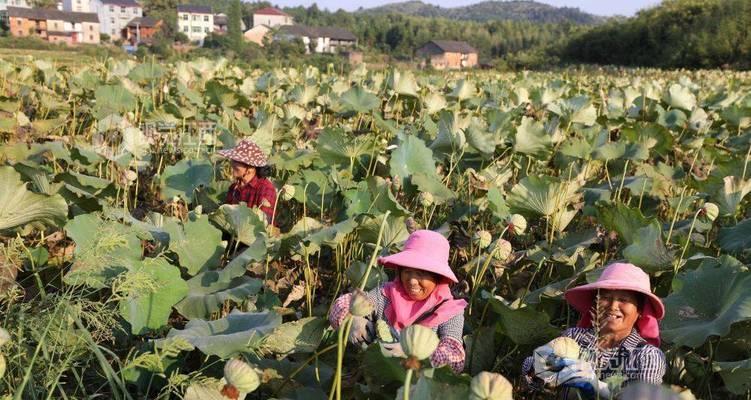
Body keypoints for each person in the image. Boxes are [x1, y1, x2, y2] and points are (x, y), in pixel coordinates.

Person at [328, 230, 468, 373]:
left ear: (438, 277)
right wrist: (351, 320)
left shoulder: (449, 311)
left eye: (421, 274)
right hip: (374, 378)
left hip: (417, 387)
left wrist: (413, 353)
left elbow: (455, 359)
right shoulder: (386, 293)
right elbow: (341, 304)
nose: (412, 281)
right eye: (407, 272)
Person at [522, 262, 667, 398]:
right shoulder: (575, 337)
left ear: (640, 310)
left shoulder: (646, 355)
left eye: (624, 300)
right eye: (605, 297)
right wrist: (539, 365)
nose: (612, 306)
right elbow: (533, 380)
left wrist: (598, 387)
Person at [217, 139, 277, 223]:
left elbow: (264, 224)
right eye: (233, 159)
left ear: (250, 169)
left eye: (236, 161)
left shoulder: (266, 188)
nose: (232, 163)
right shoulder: (234, 187)